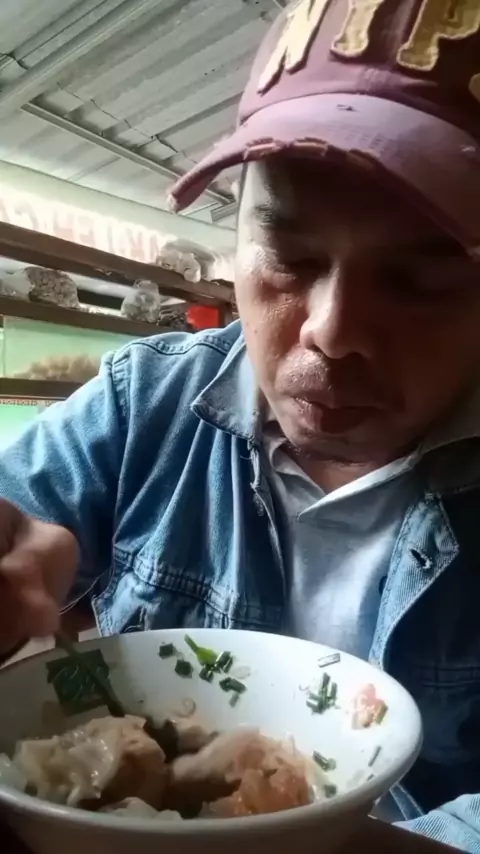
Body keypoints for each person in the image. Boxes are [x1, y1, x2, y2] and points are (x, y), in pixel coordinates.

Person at [0, 0, 480, 847]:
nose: (331, 331)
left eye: (420, 280)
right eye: (290, 257)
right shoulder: (144, 403)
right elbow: (19, 529)